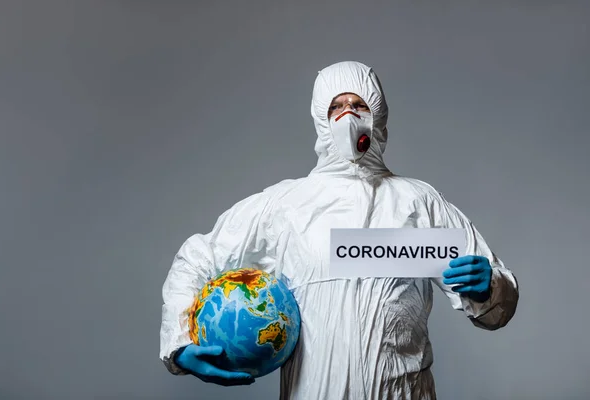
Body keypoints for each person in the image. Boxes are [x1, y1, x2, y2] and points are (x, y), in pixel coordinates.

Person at [159, 61, 519, 399]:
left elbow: (496, 310)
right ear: (322, 119)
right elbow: (197, 258)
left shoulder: (418, 202)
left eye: (358, 104)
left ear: (377, 114)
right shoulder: (285, 205)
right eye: (336, 107)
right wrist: (180, 343)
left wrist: (491, 287)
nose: (348, 114)